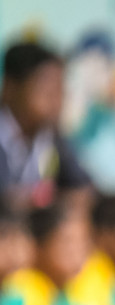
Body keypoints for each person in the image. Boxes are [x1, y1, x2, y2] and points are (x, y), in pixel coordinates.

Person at [0, 41, 91, 210]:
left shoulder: (53, 137)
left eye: (60, 92)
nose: (56, 102)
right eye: (47, 92)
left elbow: (82, 190)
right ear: (9, 87)